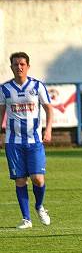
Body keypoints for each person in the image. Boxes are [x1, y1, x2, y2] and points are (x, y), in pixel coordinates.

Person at [0, 52, 53, 229]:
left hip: (34, 140)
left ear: (28, 66)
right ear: (11, 67)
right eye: (16, 64)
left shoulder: (37, 86)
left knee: (38, 179)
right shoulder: (5, 89)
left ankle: (39, 206)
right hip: (13, 142)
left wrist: (49, 129)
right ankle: (26, 219)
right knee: (20, 180)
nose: (19, 67)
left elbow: (48, 109)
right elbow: (1, 112)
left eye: (22, 64)